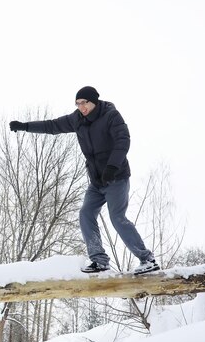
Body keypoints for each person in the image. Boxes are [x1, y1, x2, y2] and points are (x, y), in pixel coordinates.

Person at [9, 86, 159, 275]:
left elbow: (123, 140)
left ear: (94, 101)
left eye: (84, 103)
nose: (81, 107)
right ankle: (99, 260)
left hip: (116, 177)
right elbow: (52, 126)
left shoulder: (111, 115)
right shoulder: (77, 119)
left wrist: (112, 167)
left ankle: (147, 259)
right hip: (96, 181)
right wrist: (25, 126)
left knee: (117, 218)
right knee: (86, 214)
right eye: (78, 104)